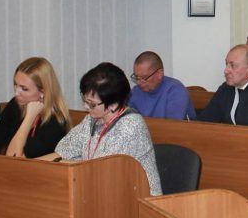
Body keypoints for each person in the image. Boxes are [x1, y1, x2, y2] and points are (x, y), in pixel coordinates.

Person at [40, 62, 162, 196]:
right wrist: (32, 166)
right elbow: (62, 152)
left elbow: (100, 172)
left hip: (138, 200)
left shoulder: (131, 126)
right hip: (99, 193)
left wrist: (63, 163)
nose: (85, 107)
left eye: (92, 104)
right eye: (84, 99)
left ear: (113, 105)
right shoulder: (92, 119)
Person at [0, 57, 71, 158]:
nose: (16, 93)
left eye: (24, 89)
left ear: (43, 91)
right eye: (15, 85)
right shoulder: (16, 105)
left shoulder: (56, 123)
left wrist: (29, 118)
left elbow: (14, 157)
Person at [128, 51, 195, 120]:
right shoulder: (136, 91)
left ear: (159, 73)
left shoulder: (176, 91)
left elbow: (172, 125)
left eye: (144, 78)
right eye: (136, 77)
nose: (139, 82)